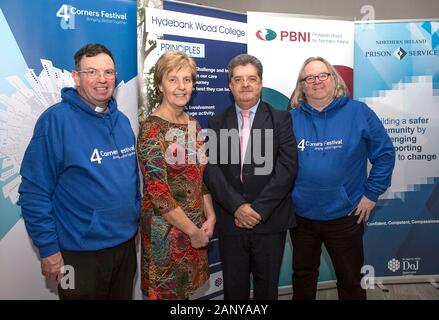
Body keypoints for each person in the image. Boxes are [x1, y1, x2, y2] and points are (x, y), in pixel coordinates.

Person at [18, 43, 140, 299]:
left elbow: (131, 180)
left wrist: (134, 219)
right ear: (76, 77)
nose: (102, 79)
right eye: (92, 72)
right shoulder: (55, 121)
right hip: (78, 255)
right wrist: (49, 249)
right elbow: (34, 191)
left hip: (125, 248)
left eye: (108, 72)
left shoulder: (123, 122)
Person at [289, 56, 396, 300]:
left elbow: (385, 154)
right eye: (309, 77)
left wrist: (371, 194)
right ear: (302, 85)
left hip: (346, 215)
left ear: (333, 79)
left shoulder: (359, 112)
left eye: (322, 75)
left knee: (350, 281)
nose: (316, 81)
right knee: (303, 278)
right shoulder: (291, 119)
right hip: (301, 217)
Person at [203, 54, 297, 300]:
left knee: (267, 291)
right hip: (231, 222)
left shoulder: (281, 119)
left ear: (260, 83)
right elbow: (211, 169)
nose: (245, 84)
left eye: (251, 79)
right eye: (238, 79)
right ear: (230, 86)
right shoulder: (217, 122)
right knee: (234, 291)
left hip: (269, 221)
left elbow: (287, 169)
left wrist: (257, 210)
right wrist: (237, 207)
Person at [137, 51, 216, 300]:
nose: (181, 87)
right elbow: (158, 193)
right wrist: (193, 232)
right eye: (172, 80)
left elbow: (200, 177)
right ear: (160, 85)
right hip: (166, 234)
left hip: (195, 229)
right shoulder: (152, 129)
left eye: (187, 80)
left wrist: (211, 216)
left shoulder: (193, 123)